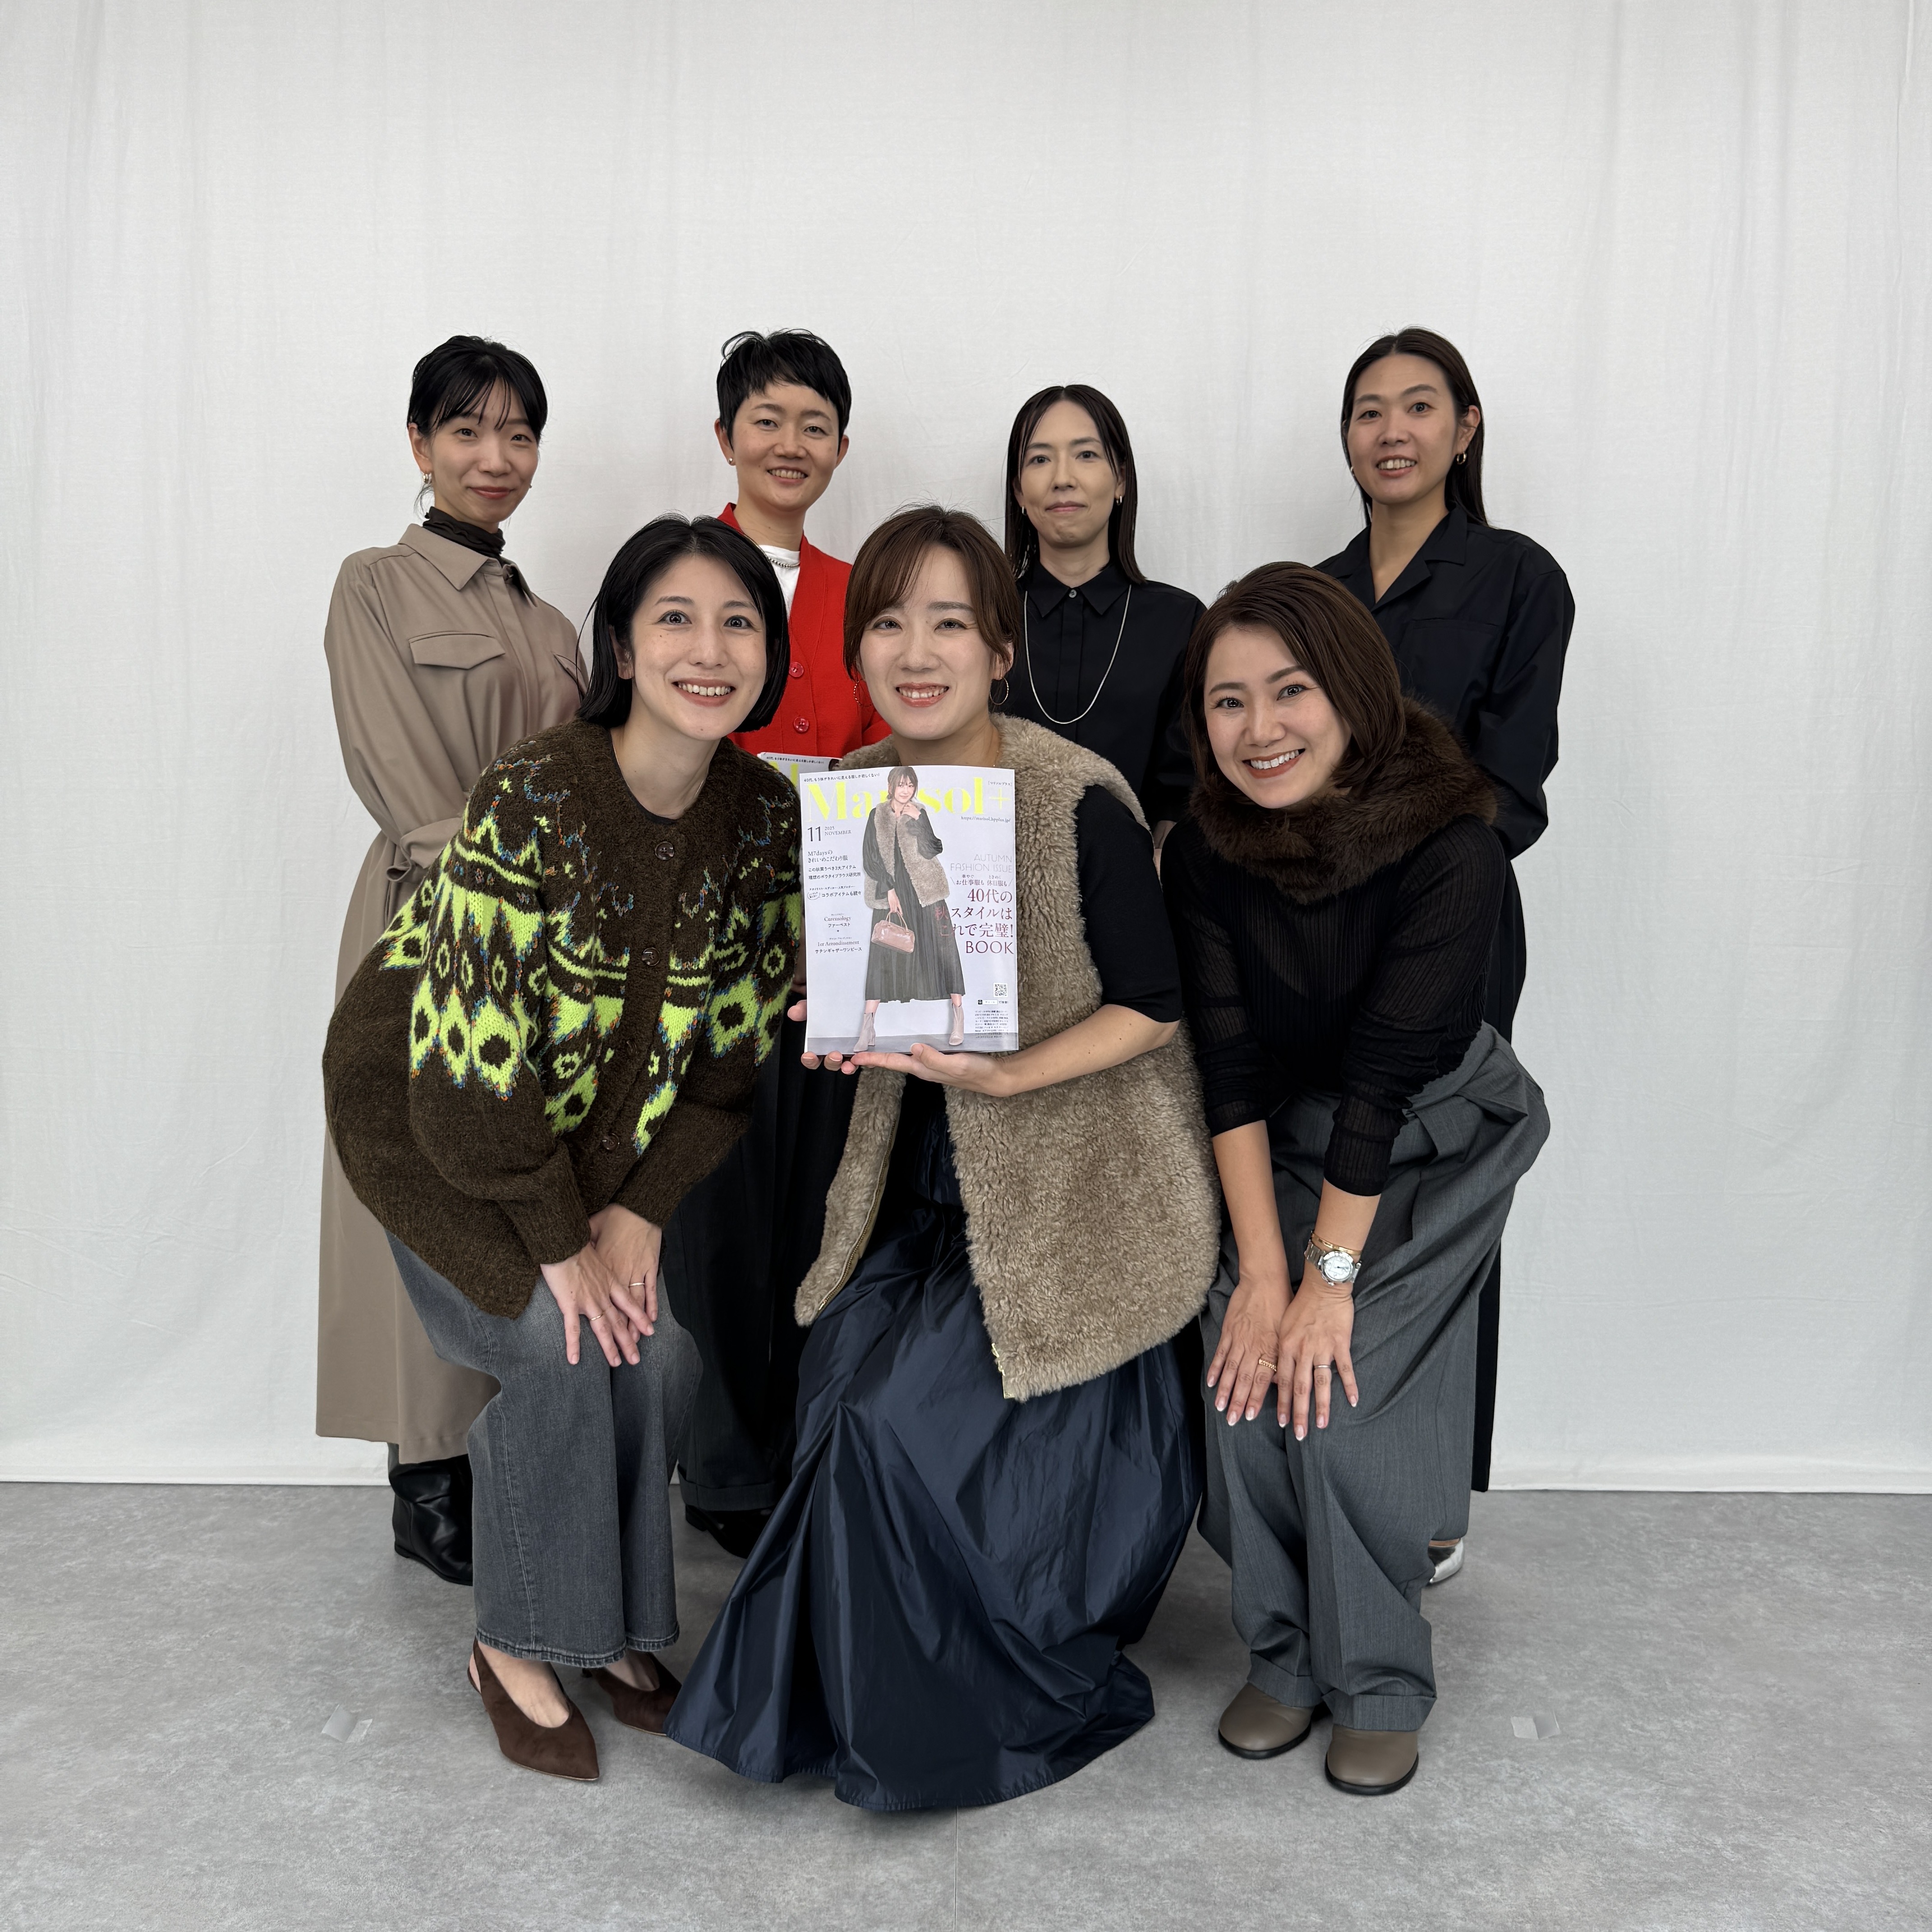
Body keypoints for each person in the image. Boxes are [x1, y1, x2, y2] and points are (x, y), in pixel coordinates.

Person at [666, 506, 1221, 1811]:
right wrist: (830, 1002)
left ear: (1000, 650)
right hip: (915, 1199)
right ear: (856, 649)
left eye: (950, 623)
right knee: (835, 1395)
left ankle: (923, 1706)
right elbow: (869, 975)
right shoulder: (852, 791)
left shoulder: (1076, 795)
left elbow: (1154, 1006)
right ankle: (838, 1689)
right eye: (888, 623)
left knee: (881, 1424)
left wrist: (1010, 1072)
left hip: (1068, 1206)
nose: (917, 651)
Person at [322, 515, 802, 1782]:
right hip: (428, 1128)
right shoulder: (533, 795)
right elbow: (468, 1081)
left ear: (771, 651)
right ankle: (513, 1643)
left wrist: (637, 1214)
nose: (710, 650)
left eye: (739, 622)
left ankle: (620, 1629)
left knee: (657, 1354)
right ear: (624, 650)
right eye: (675, 620)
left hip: (588, 1160)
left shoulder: (765, 821)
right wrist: (558, 1243)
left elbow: (728, 1065)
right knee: (555, 1346)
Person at [1162, 564, 1549, 1796]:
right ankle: (1283, 1651)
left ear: (1352, 692)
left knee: (1337, 1394)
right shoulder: (1208, 849)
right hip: (1286, 1128)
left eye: (1291, 691)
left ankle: (1377, 1674)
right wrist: (1260, 1279)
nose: (1259, 729)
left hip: (1436, 1128)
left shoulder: (1453, 840)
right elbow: (1226, 1069)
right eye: (1228, 701)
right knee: (1240, 1377)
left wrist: (1325, 1285)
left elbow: (1384, 1082)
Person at [317, 336, 588, 1586]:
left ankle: (509, 1452)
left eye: (518, 434)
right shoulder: (375, 586)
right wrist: (498, 895)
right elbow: (400, 772)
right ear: (420, 445)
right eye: (468, 430)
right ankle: (426, 1476)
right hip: (428, 923)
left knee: (518, 1184)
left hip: (547, 947)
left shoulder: (550, 623)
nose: (496, 456)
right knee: (416, 1182)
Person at [1316, 328, 1573, 1555]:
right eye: (1369, 410)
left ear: (1465, 429)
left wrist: (1382, 847)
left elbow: (1510, 788)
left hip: (1452, 927)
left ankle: (1427, 1506)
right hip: (1312, 930)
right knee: (1329, 1170)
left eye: (1419, 407)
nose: (1393, 431)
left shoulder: (1517, 578)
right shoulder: (1315, 591)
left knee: (1446, 1193)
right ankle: (1326, 1461)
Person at [662, 330, 888, 1558]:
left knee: (822, 1208)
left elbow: (890, 759)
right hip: (707, 960)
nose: (790, 444)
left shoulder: (866, 591)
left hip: (839, 957)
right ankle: (722, 1466)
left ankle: (810, 1447)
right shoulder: (679, 575)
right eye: (767, 420)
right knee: (714, 1218)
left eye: (814, 424)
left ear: (841, 447)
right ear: (725, 438)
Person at [1001, 384, 1203, 846]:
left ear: (1121, 480)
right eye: (1040, 459)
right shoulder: (980, 617)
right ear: (1018, 490)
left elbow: (1186, 788)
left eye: (1086, 455)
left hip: (1142, 877)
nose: (1063, 478)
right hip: (996, 881)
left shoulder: (1180, 622)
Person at [851, 764, 967, 1051]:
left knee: (944, 948)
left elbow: (933, 849)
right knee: (881, 955)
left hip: (925, 891)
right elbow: (870, 857)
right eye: (901, 785)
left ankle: (959, 1018)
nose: (906, 790)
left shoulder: (919, 811)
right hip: (889, 891)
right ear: (891, 786)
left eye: (910, 785)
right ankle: (867, 1028)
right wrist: (890, 890)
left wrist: (921, 820)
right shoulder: (877, 815)